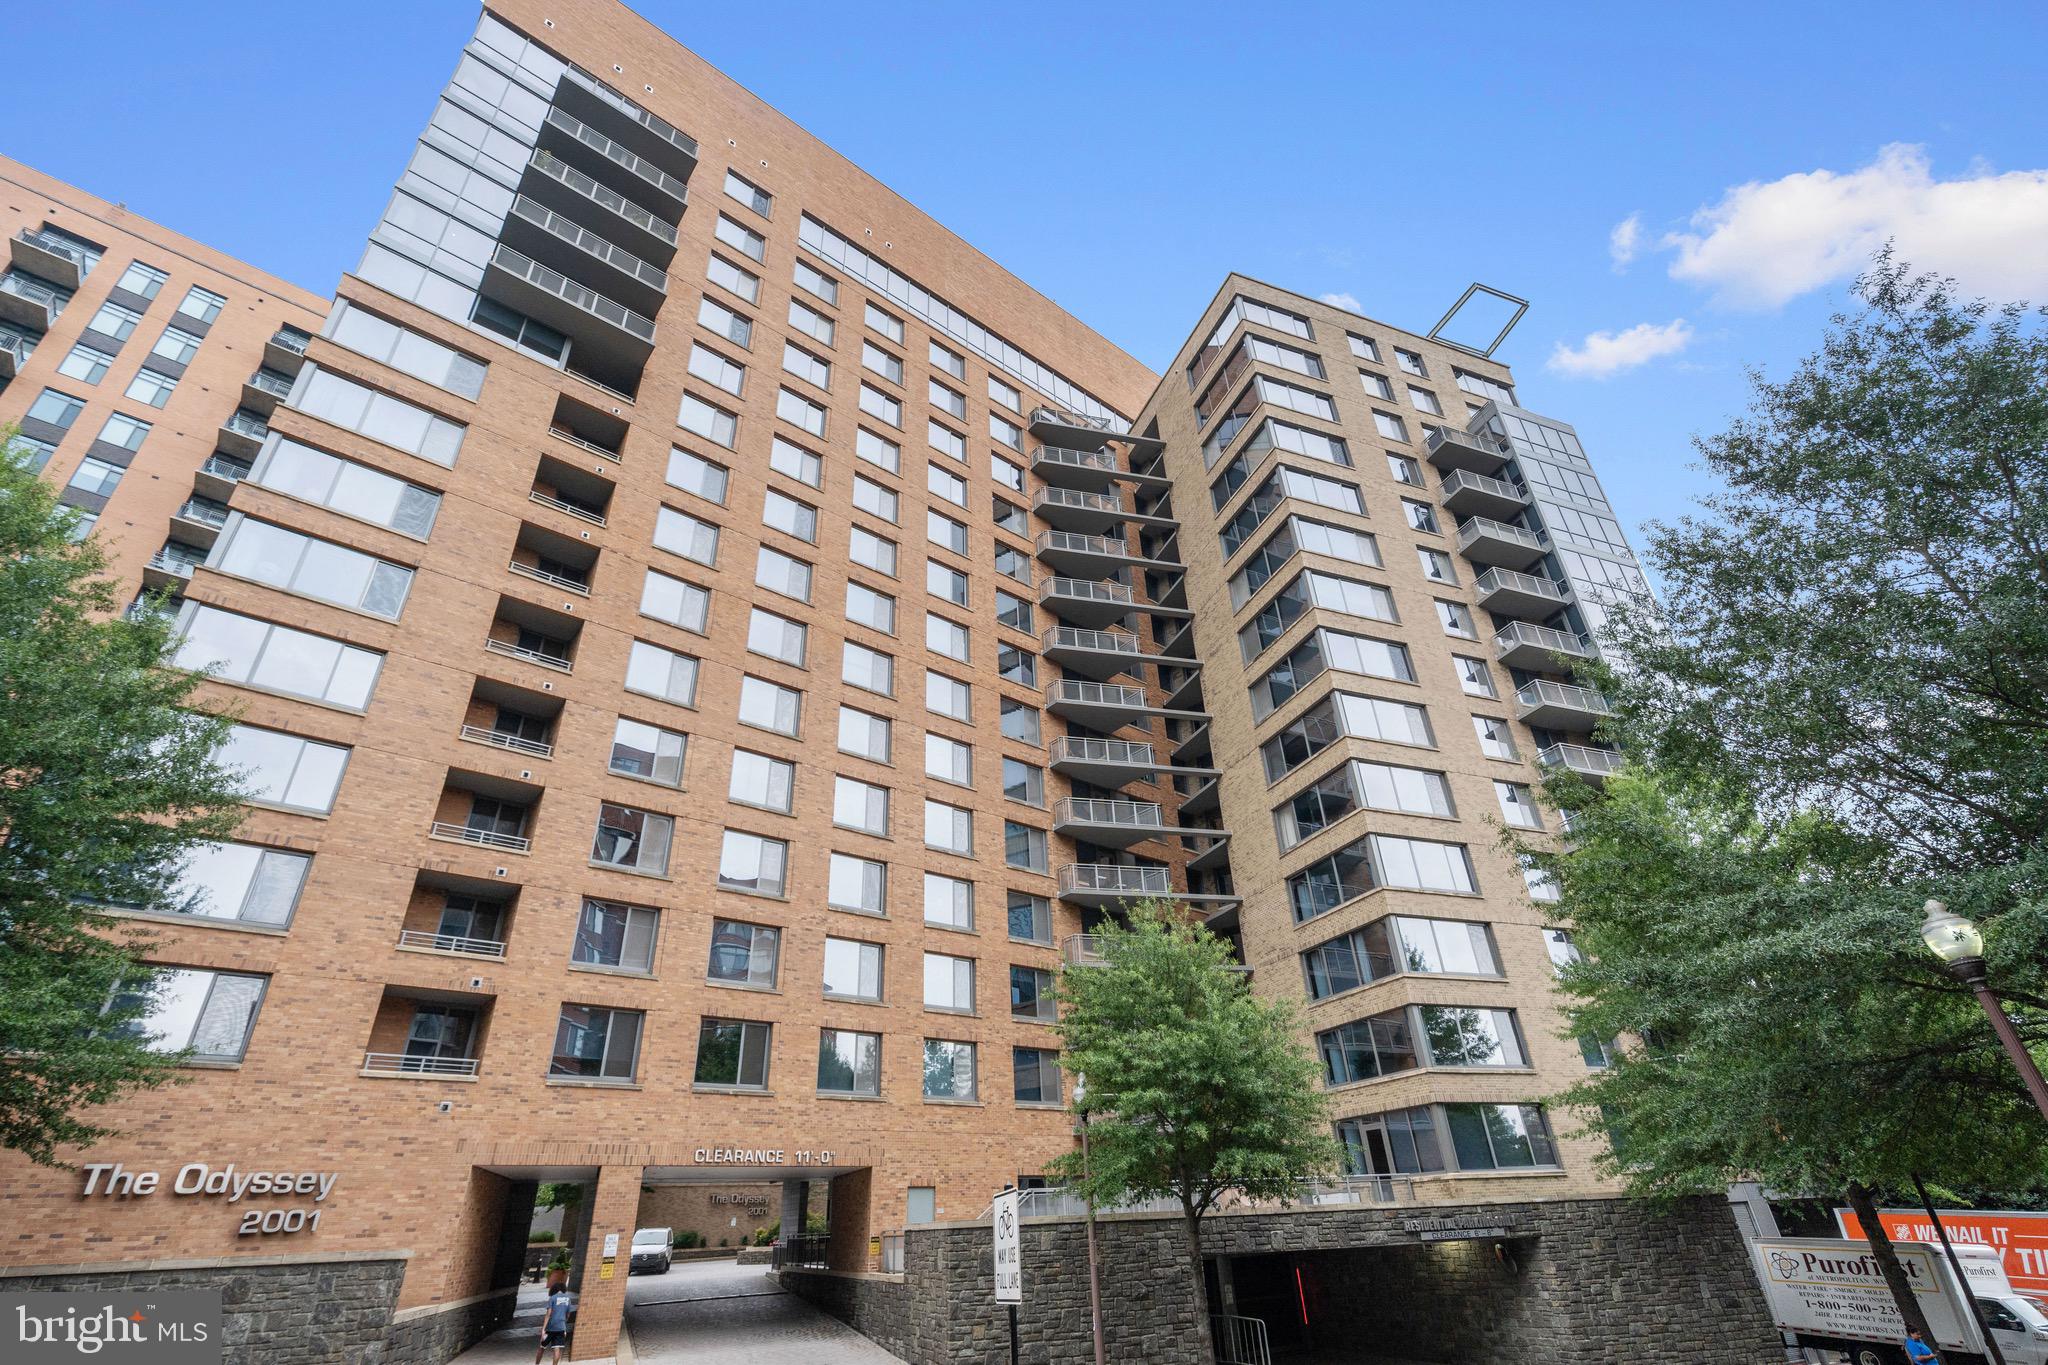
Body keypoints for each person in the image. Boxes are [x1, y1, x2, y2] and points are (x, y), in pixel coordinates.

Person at [535, 1285, 573, 1364]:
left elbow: (548, 1315)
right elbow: (568, 1314)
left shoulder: (553, 1298)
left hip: (550, 1327)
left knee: (541, 1347)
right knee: (557, 1349)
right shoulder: (568, 1298)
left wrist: (543, 1330)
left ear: (554, 1289)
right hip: (561, 1327)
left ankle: (536, 1364)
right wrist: (564, 1326)